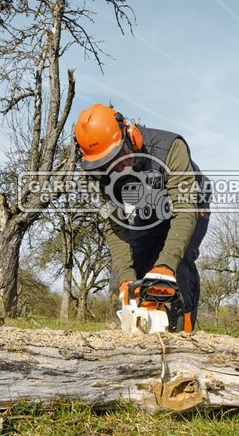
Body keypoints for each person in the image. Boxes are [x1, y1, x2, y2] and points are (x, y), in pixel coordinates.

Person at [73, 103, 210, 332]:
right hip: (148, 207)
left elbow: (184, 210)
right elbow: (114, 226)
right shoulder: (105, 175)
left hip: (190, 203)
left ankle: (184, 329)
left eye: (119, 158)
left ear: (130, 136)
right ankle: (142, 326)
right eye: (105, 165)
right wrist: (126, 278)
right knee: (133, 270)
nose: (116, 170)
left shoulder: (170, 148)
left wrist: (165, 266)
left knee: (177, 260)